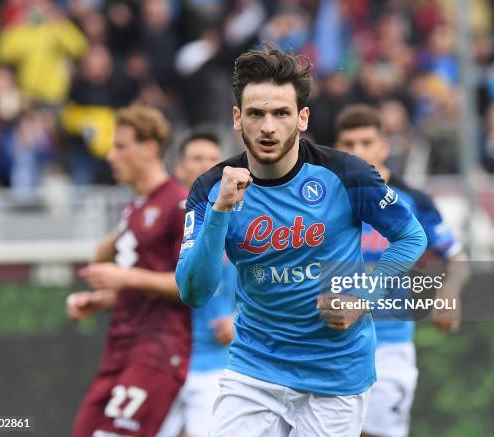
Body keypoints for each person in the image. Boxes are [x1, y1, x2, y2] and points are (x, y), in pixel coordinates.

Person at [175, 43, 427, 436]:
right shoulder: (211, 188)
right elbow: (194, 291)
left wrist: (363, 297)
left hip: (336, 374)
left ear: (303, 117)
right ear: (238, 118)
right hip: (254, 370)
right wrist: (220, 213)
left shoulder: (348, 175)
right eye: (256, 114)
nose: (268, 127)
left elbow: (410, 237)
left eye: (281, 113)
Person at [333, 104, 469, 437]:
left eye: (366, 143)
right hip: (333, 342)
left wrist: (449, 292)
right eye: (349, 145)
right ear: (336, 149)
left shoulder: (412, 200)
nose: (358, 152)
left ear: (384, 146)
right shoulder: (320, 201)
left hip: (389, 345)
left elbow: (458, 257)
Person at [66, 104, 191, 437]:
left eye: (120, 146)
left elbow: (189, 287)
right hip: (119, 349)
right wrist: (103, 299)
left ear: (149, 148)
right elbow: (117, 267)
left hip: (157, 351)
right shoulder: (134, 208)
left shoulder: (179, 204)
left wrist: (123, 278)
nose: (110, 156)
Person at [158, 132, 236, 437]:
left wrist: (239, 320)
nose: (206, 166)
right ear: (179, 168)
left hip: (214, 363)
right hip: (165, 361)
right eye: (197, 158)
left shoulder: (236, 220)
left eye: (212, 159)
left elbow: (264, 282)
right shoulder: (166, 222)